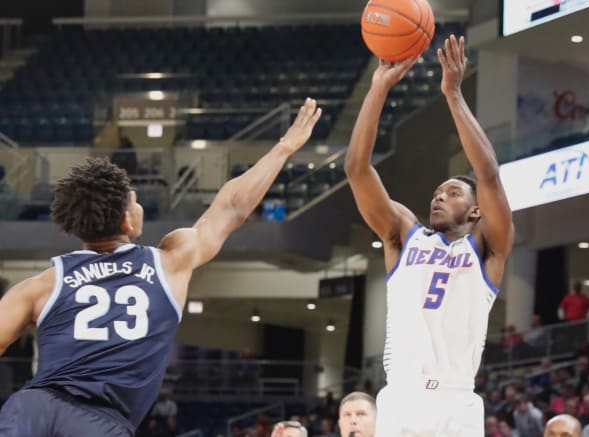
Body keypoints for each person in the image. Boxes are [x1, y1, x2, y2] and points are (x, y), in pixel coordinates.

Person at [0, 98, 322, 436]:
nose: (138, 206)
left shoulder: (41, 285)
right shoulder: (169, 261)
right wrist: (283, 148)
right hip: (98, 423)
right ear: (127, 219)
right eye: (135, 200)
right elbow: (231, 207)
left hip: (32, 409)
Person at [344, 34, 514, 437]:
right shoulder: (405, 235)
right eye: (437, 193)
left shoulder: (487, 247)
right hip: (402, 395)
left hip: (456, 400)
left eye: (452, 193)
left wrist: (453, 94)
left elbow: (488, 172)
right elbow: (356, 168)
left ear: (476, 210)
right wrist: (378, 89)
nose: (439, 198)